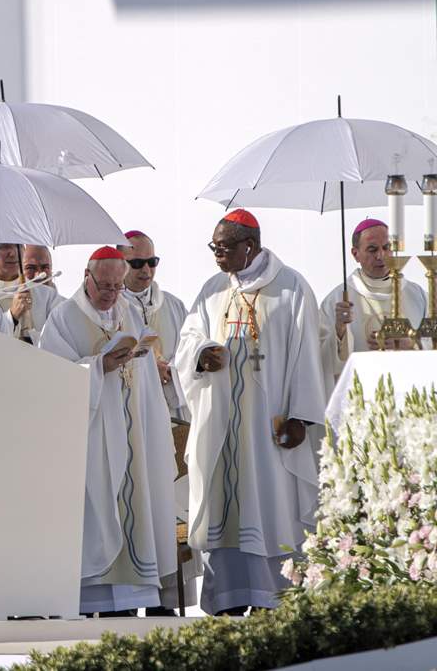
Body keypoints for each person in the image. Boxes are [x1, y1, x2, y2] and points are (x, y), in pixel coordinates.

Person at [173, 209, 328, 616]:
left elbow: (307, 357)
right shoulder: (211, 290)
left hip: (269, 426)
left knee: (270, 507)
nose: (216, 256)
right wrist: (203, 355)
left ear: (250, 247)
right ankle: (227, 598)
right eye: (213, 247)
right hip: (222, 423)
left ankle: (272, 599)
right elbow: (187, 341)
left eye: (222, 248)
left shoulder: (293, 289)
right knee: (221, 508)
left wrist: (301, 417)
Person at [39, 247, 177, 616]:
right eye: (105, 286)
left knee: (134, 503)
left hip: (132, 432)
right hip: (93, 438)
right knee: (99, 507)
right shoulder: (63, 318)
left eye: (118, 286)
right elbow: (52, 379)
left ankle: (131, 602)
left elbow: (145, 380)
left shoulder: (130, 312)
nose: (111, 293)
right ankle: (96, 597)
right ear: (87, 277)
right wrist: (98, 367)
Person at [319, 217, 426, 385]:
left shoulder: (417, 295)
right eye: (372, 249)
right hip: (360, 393)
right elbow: (320, 359)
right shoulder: (337, 299)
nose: (380, 256)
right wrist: (339, 330)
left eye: (386, 247)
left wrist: (410, 344)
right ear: (355, 254)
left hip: (409, 390)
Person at [122, 230, 189, 419]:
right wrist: (150, 371)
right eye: (136, 263)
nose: (146, 270)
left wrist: (169, 373)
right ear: (121, 264)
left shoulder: (174, 306)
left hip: (173, 405)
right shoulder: (112, 309)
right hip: (132, 408)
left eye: (152, 262)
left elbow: (190, 353)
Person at [0, 242, 54, 343]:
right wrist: (12, 316)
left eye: (18, 245)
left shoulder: (47, 296)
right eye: (3, 246)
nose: (13, 253)